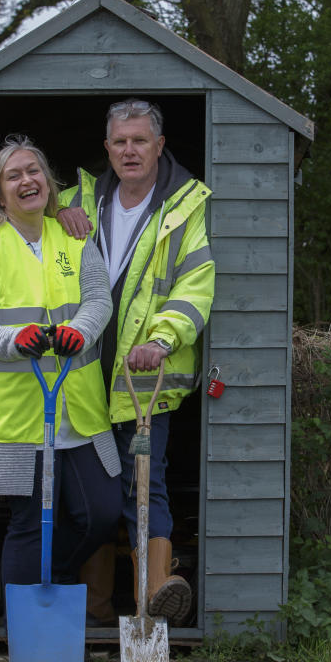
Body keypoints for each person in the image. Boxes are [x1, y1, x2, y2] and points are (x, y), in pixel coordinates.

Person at [57, 99, 214, 625]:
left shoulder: (184, 208)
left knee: (146, 483)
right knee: (94, 493)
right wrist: (58, 213)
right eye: (120, 141)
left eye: (139, 141)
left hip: (144, 378)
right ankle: (98, 611)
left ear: (159, 146)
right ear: (107, 148)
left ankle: (153, 599)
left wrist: (164, 340)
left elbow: (195, 285)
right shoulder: (79, 199)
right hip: (81, 377)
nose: (129, 150)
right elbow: (22, 219)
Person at [0, 135, 121, 594]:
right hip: (17, 415)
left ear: (49, 181)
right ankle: (24, 631)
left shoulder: (75, 238)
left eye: (34, 171)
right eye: (14, 175)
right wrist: (11, 340)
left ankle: (52, 578)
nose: (27, 181)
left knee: (101, 513)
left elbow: (98, 301)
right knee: (29, 524)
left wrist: (80, 331)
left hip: (77, 410)